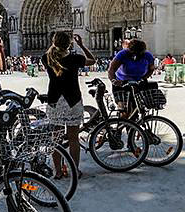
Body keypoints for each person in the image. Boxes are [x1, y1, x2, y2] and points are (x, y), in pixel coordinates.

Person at [42, 32, 96, 178]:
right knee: (73, 139)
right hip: (72, 100)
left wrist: (55, 44)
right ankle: (75, 170)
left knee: (56, 139)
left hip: (55, 101)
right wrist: (82, 45)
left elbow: (53, 53)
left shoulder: (46, 57)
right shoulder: (75, 58)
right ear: (69, 44)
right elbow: (93, 60)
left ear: (54, 42)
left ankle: (58, 171)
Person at [108, 39, 155, 113]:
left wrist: (144, 78)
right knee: (124, 109)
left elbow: (151, 69)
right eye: (133, 53)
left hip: (138, 83)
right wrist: (114, 80)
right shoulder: (122, 54)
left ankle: (134, 122)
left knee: (137, 108)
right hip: (121, 83)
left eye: (139, 54)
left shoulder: (147, 56)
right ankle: (122, 122)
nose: (135, 56)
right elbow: (112, 69)